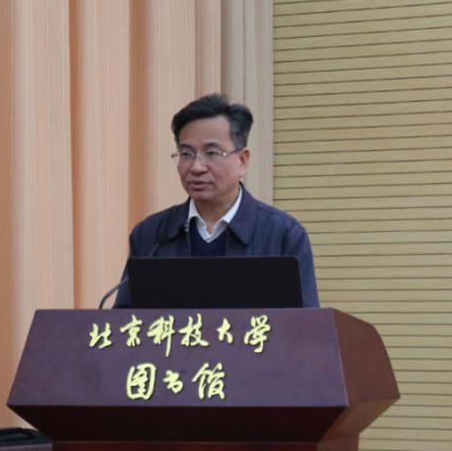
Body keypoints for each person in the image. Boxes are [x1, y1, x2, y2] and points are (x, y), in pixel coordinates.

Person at [113, 93, 319, 308]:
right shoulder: (151, 236)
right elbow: (125, 321)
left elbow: (306, 324)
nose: (196, 167)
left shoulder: (283, 235)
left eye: (211, 153)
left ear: (242, 161)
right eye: (186, 154)